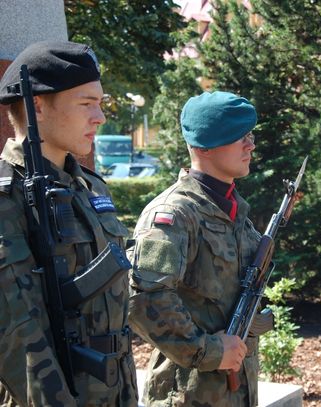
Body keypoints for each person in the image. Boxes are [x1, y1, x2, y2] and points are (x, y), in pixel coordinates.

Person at [0, 41, 137, 406]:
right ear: (38, 107)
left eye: (100, 103)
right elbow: (19, 337)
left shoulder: (88, 186)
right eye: (86, 103)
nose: (100, 117)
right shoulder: (7, 197)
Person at [128, 91, 272, 406]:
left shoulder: (236, 212)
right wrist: (209, 351)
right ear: (204, 146)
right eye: (239, 137)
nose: (251, 145)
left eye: (250, 135)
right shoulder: (174, 214)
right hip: (188, 392)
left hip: (237, 389)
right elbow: (144, 301)